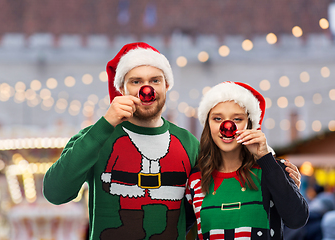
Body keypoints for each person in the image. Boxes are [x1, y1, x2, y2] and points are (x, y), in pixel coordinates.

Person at [43, 42, 200, 240]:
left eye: (155, 81)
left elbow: (199, 210)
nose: (146, 89)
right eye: (136, 81)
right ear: (121, 89)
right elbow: (55, 193)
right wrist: (105, 124)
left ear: (166, 86)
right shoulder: (95, 136)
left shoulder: (189, 143)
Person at [185, 81, 309, 240]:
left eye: (237, 119)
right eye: (217, 118)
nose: (227, 126)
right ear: (208, 125)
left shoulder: (272, 169)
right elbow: (177, 228)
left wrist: (265, 158)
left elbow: (297, 219)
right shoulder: (195, 178)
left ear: (250, 124)